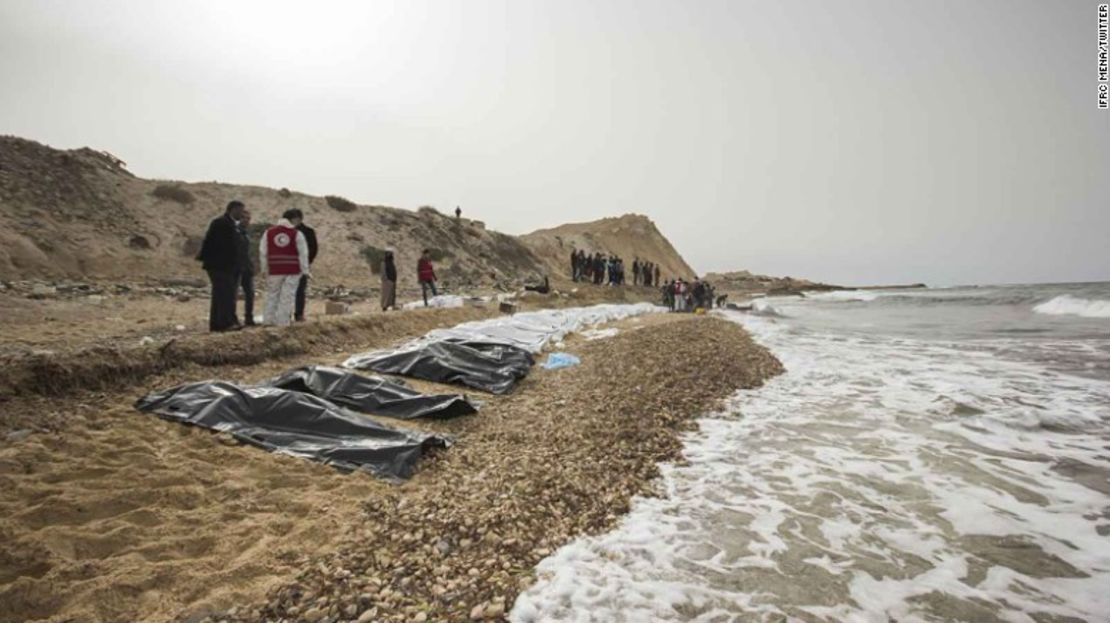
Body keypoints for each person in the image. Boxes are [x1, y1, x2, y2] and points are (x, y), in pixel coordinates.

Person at [196, 200, 246, 332]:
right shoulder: (221, 223)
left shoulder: (234, 225)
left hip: (229, 266)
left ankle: (220, 323)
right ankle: (225, 323)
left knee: (223, 295)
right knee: (225, 294)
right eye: (240, 211)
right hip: (220, 266)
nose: (242, 214)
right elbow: (220, 246)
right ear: (233, 209)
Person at [260, 209, 310, 326]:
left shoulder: (268, 233)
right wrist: (305, 270)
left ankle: (268, 320)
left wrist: (264, 269)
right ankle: (282, 323)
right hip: (292, 270)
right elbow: (303, 254)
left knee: (272, 295)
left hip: (274, 269)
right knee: (287, 297)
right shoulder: (297, 234)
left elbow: (263, 252)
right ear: (295, 219)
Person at [293, 214, 318, 322]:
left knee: (300, 290)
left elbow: (314, 248)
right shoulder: (288, 231)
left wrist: (307, 261)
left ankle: (299, 314)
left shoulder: (308, 231)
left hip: (302, 264)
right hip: (289, 264)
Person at [235, 208, 256, 326]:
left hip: (246, 266)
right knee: (234, 293)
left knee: (250, 293)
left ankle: (249, 317)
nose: (246, 221)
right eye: (244, 218)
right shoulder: (235, 231)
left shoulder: (245, 232)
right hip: (237, 267)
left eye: (248, 219)